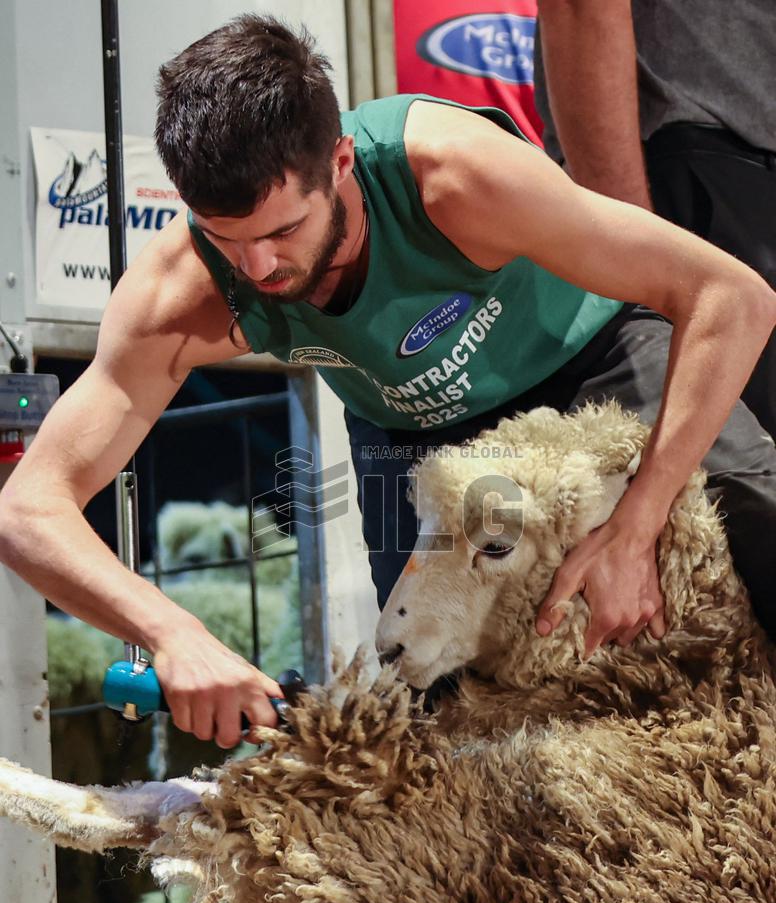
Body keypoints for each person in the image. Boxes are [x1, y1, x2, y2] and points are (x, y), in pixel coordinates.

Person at [0, 15, 774, 749]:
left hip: (589, 356)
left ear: (339, 164)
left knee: (755, 520)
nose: (259, 268)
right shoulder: (182, 292)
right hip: (414, 429)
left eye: (284, 230)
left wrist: (636, 527)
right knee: (440, 709)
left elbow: (731, 298)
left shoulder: (456, 176)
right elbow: (28, 509)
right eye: (226, 239)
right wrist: (173, 633)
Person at [534, 0, 776, 435]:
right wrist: (632, 251)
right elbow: (580, 9)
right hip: (700, 170)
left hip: (724, 172)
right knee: (711, 469)